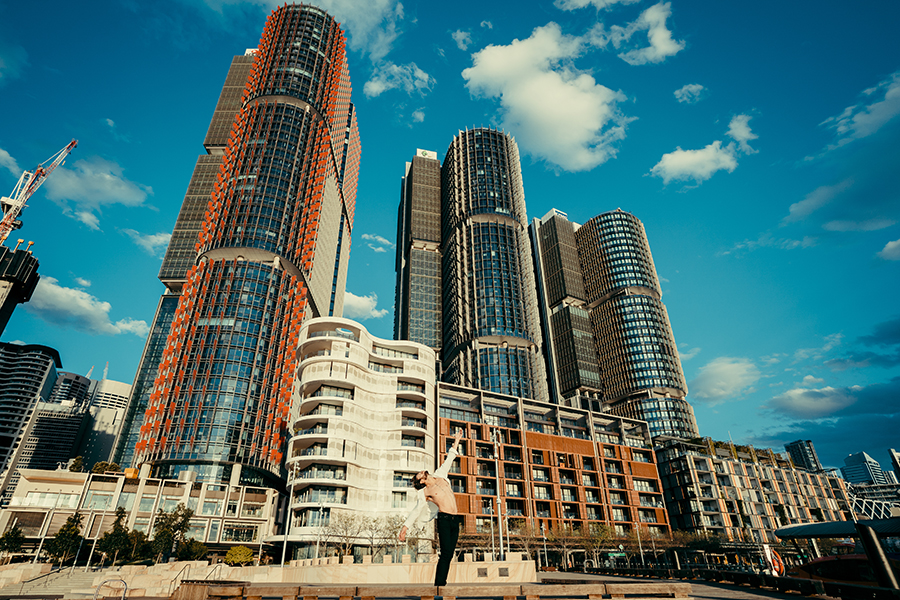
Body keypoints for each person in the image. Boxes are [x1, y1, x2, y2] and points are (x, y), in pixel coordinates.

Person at [399, 429, 464, 586]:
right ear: (421, 481)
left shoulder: (440, 474)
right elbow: (416, 510)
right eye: (419, 474)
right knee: (445, 553)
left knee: (449, 554)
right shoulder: (425, 492)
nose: (422, 471)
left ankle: (441, 584)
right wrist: (405, 528)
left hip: (456, 520)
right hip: (444, 520)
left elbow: (450, 458)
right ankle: (439, 585)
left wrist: (457, 440)